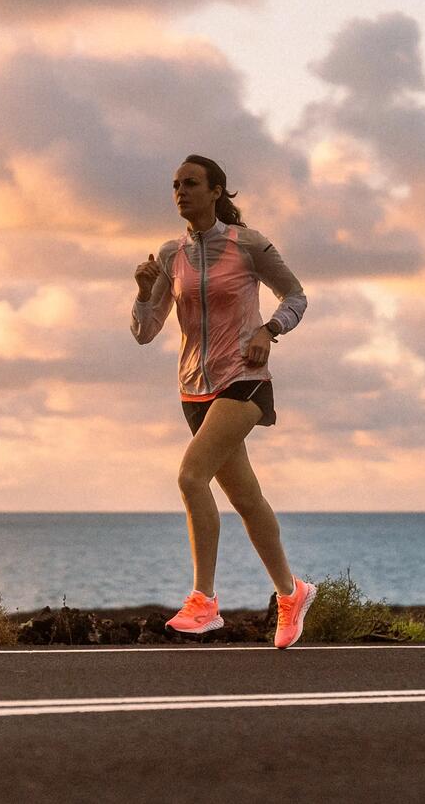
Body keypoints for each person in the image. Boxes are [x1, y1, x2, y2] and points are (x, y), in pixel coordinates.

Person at [130, 154, 315, 649]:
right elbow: (145, 332)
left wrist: (269, 329)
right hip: (194, 389)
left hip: (245, 379)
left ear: (216, 191)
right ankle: (291, 592)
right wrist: (145, 293)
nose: (180, 192)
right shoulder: (171, 256)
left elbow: (295, 296)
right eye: (175, 185)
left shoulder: (248, 244)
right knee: (246, 498)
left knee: (190, 476)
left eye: (190, 183)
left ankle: (204, 601)